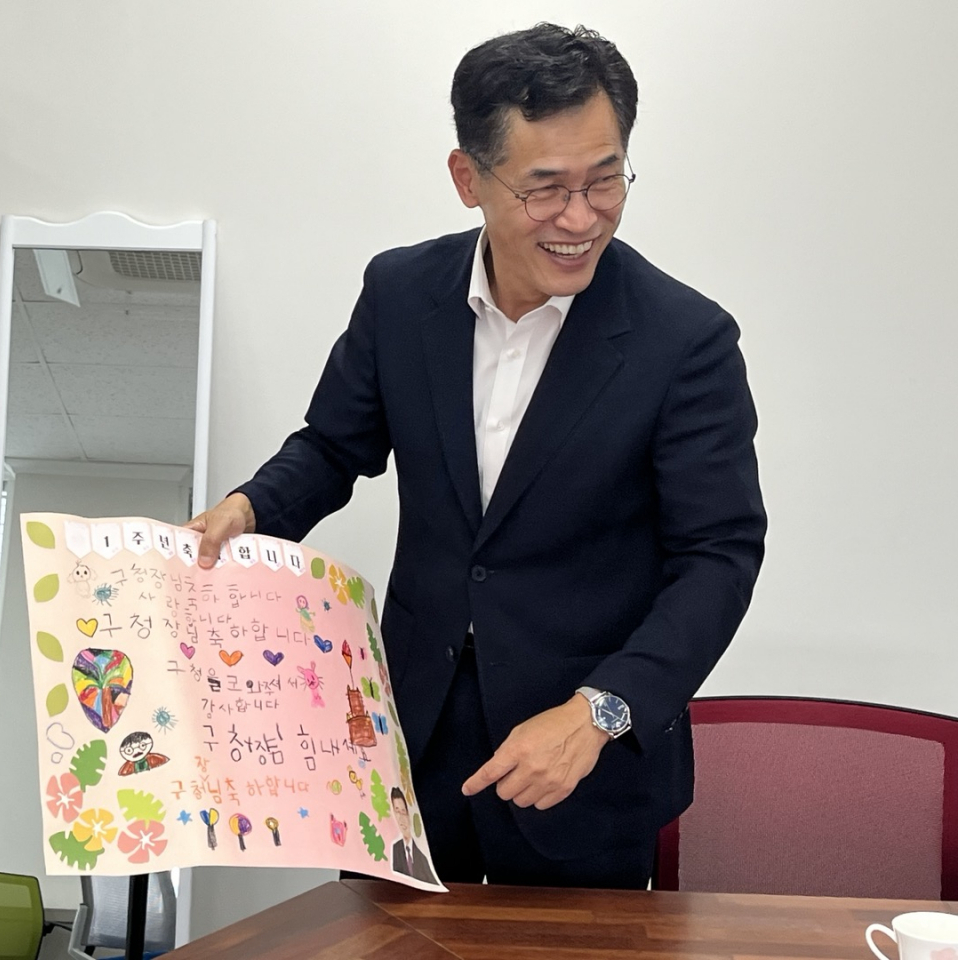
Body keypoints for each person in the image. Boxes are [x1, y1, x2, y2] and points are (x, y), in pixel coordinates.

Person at [191, 23, 765, 888]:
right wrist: (247, 509)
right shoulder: (400, 293)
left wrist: (601, 712)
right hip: (409, 746)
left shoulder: (686, 341)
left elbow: (719, 558)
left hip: (583, 764)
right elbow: (334, 446)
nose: (581, 217)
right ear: (469, 179)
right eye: (546, 189)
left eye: (606, 178)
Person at [389, 787, 438, 885]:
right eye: (397, 811)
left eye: (403, 812)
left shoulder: (422, 857)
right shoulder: (394, 849)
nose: (400, 818)